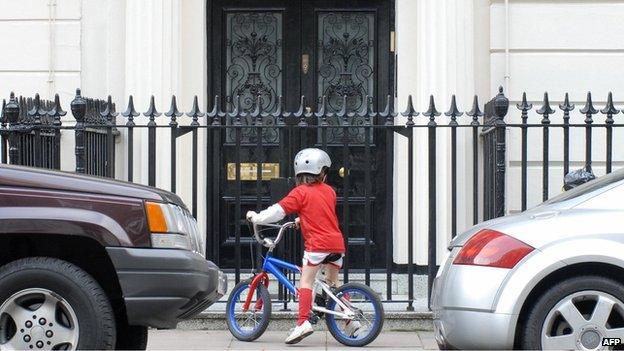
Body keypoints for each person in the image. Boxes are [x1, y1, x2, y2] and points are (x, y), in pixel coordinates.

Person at [246, 148, 360, 344]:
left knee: (306, 281)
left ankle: (302, 323)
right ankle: (350, 321)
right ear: (322, 173)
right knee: (334, 284)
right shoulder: (329, 191)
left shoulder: (300, 193)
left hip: (317, 245)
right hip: (336, 244)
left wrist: (257, 217)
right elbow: (320, 210)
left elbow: (278, 212)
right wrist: (301, 218)